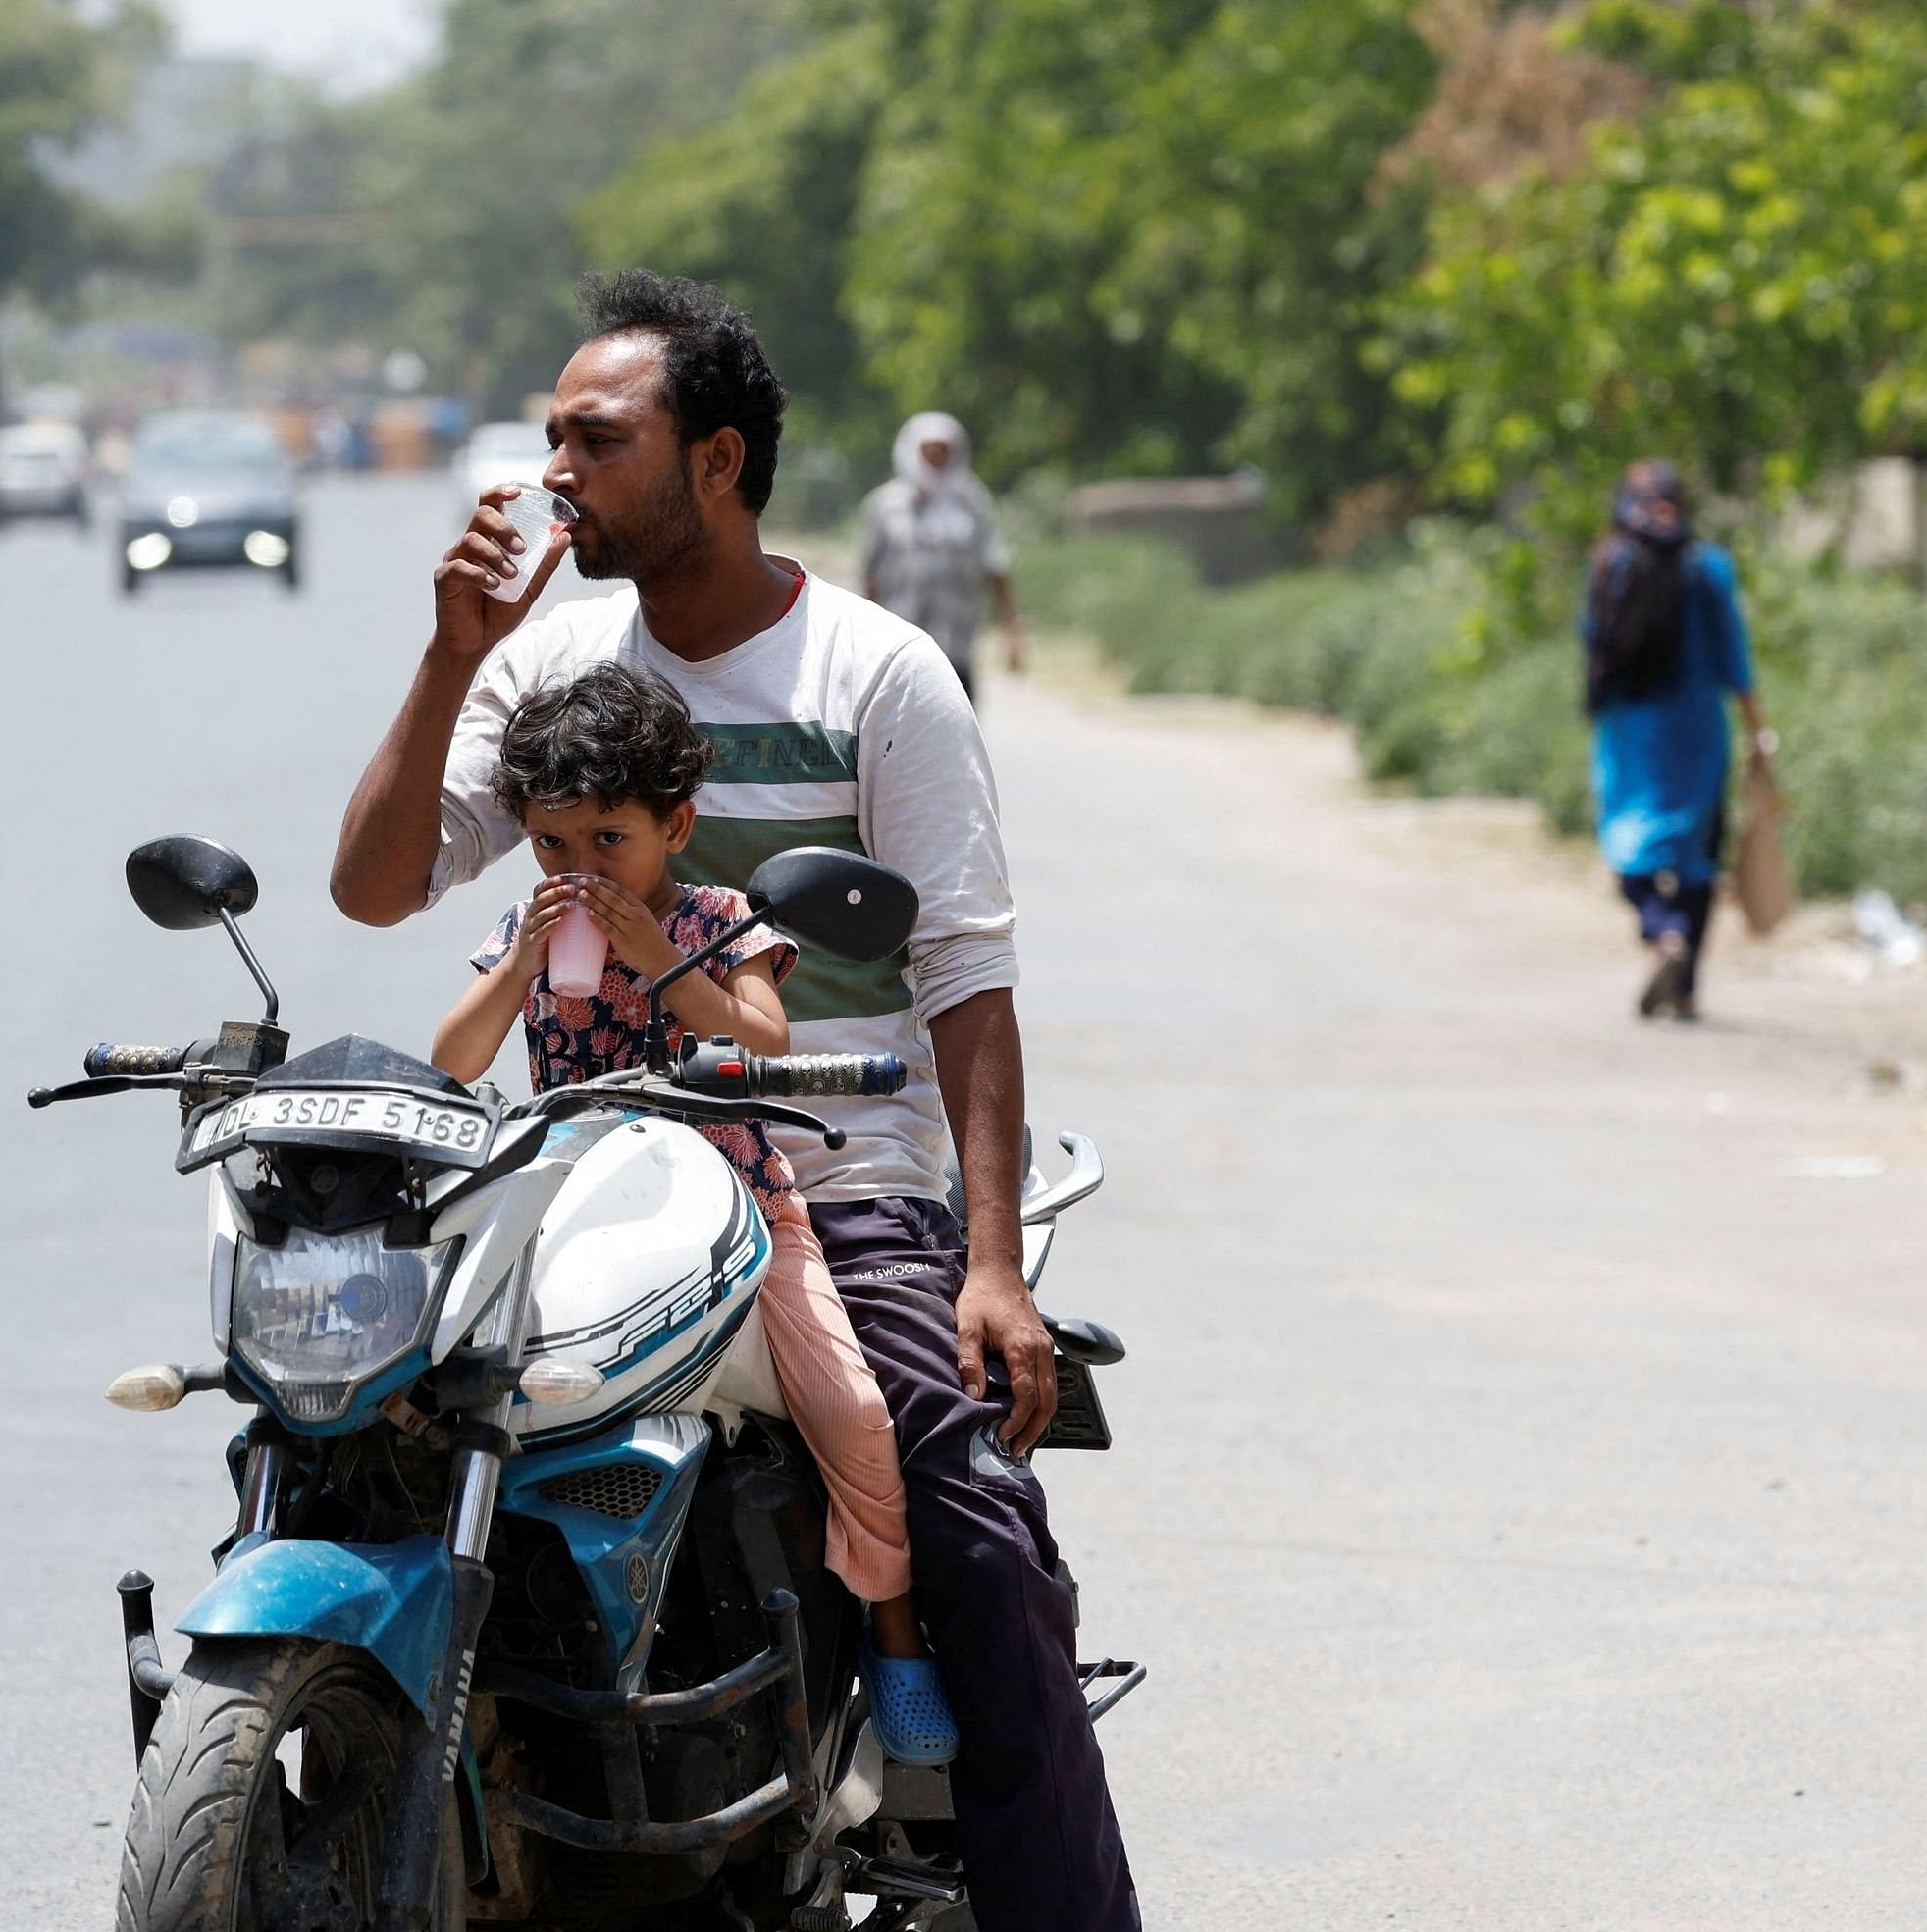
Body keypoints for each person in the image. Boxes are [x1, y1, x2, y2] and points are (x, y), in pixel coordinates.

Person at [332, 269, 1142, 1931]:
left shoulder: (880, 670)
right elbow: (376, 885)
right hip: (573, 1178)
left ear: (715, 459)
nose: (557, 470)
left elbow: (967, 984)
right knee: (366, 1430)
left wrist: (986, 1262)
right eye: (551, 436)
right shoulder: (545, 669)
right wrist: (445, 657)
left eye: (595, 438)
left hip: (830, 1175)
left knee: (975, 1520)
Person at [429, 659, 961, 1768]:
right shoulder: (524, 929)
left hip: (730, 1199)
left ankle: (897, 1636)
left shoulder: (721, 921)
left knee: (856, 1411)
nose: (579, 872)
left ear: (674, 825)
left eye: (607, 843)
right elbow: (455, 1056)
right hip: (571, 1204)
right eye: (551, 847)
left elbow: (760, 1035)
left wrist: (659, 958)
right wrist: (524, 954)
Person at [1583, 459, 1775, 1020]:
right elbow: (1734, 658)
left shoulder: (1609, 564)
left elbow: (1592, 645)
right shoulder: (1708, 568)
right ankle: (1687, 985)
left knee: (1628, 842)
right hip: (1696, 730)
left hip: (1628, 733)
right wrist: (1756, 728)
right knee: (1697, 858)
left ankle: (1660, 929)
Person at [859, 410, 1024, 701]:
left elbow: (996, 567)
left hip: (955, 644)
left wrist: (1012, 634)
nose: (936, 458)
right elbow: (868, 572)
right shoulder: (887, 505)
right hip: (897, 644)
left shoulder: (972, 502)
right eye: (929, 451)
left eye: (943, 452)